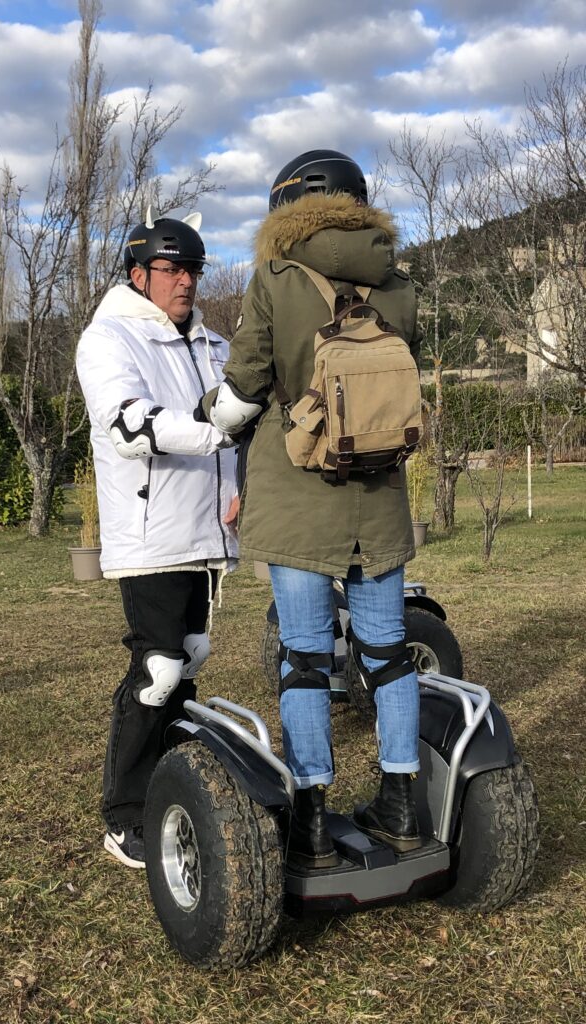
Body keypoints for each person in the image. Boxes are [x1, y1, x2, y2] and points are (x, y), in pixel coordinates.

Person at [204, 149, 422, 867]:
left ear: (287, 205)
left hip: (299, 491)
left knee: (305, 657)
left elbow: (242, 390)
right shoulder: (398, 284)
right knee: (387, 652)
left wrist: (215, 412)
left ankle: (313, 822)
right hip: (381, 494)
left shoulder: (275, 279)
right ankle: (401, 805)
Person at [76, 208, 238, 869]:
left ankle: (176, 787)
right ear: (139, 274)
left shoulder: (214, 346)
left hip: (206, 532)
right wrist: (211, 434)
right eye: (172, 269)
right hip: (150, 535)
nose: (186, 282)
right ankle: (125, 814)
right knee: (158, 669)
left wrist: (245, 482)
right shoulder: (110, 340)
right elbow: (127, 424)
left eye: (194, 269)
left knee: (190, 660)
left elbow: (242, 425)